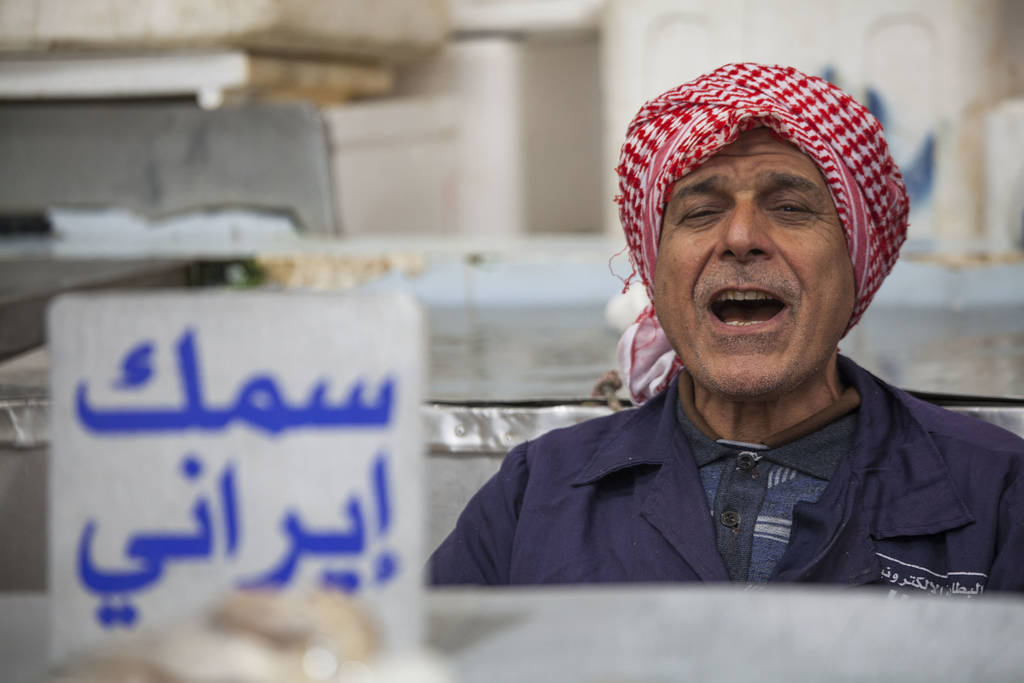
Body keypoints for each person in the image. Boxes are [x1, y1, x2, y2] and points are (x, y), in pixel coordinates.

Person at [430, 63, 1024, 593]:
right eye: (701, 212)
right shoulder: (537, 492)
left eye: (790, 208)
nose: (740, 238)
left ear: (856, 264)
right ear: (657, 271)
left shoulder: (998, 492)